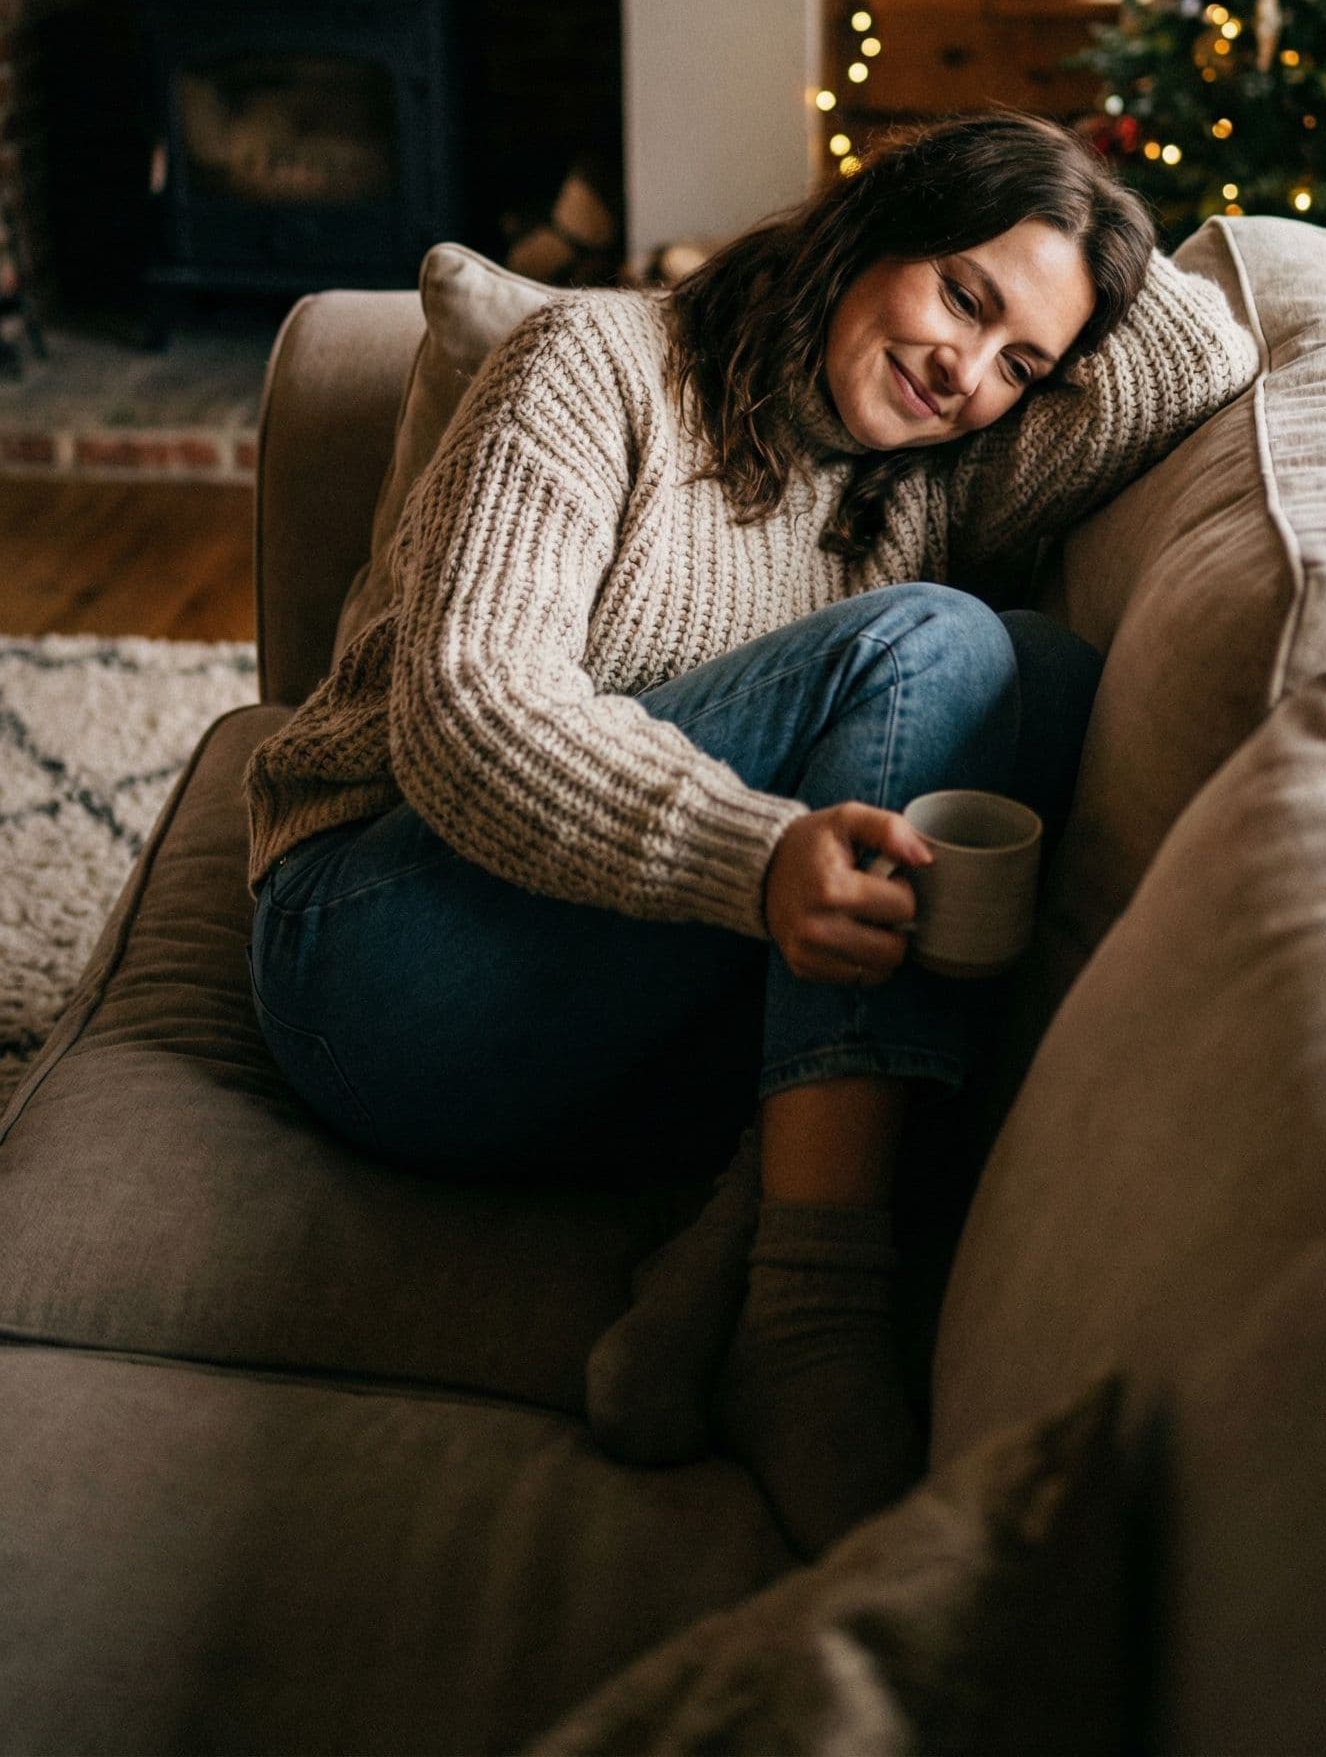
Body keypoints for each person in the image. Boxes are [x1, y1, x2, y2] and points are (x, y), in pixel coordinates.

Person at [243, 112, 1258, 1557]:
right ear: (870, 226)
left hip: (604, 1000)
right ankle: (813, 1316)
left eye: (1021, 363)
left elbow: (1200, 356)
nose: (967, 374)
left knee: (1045, 685)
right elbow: (468, 715)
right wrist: (752, 854)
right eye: (962, 296)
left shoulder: (927, 473)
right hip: (379, 947)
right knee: (938, 646)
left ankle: (739, 1240)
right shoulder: (591, 365)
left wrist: (1078, 242)